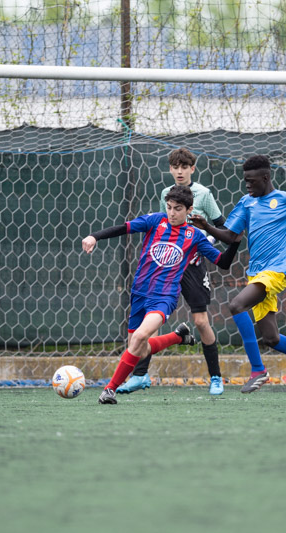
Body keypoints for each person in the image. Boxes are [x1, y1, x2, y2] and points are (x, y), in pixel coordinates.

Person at [191, 154, 286, 393]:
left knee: (236, 305)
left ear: (265, 178)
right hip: (257, 274)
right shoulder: (246, 203)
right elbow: (231, 236)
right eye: (245, 181)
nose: (247, 185)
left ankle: (258, 370)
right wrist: (207, 227)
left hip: (276, 272)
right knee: (271, 338)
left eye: (251, 181)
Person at [82, 185, 240, 405]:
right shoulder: (156, 221)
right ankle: (178, 337)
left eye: (177, 209)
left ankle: (109, 390)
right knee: (140, 350)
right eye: (169, 207)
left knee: (139, 337)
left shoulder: (194, 235)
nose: (172, 213)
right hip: (139, 293)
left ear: (189, 210)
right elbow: (123, 228)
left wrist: (235, 243)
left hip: (164, 297)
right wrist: (94, 236)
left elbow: (223, 262)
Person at [118, 148, 229, 396]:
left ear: (192, 169)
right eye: (175, 167)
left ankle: (215, 377)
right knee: (150, 320)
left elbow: (224, 227)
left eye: (184, 167)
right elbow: (164, 226)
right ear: (170, 169)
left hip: (193, 265)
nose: (180, 171)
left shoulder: (204, 194)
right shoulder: (166, 194)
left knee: (200, 321)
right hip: (166, 265)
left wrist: (206, 242)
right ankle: (140, 375)